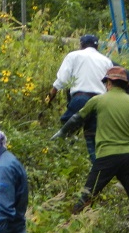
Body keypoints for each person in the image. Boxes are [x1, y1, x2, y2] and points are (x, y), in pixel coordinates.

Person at [56, 66, 129, 233]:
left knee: (86, 197)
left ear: (109, 83)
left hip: (105, 159)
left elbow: (77, 118)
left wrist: (61, 133)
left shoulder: (98, 100)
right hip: (128, 159)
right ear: (125, 85)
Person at [46, 34, 114, 164]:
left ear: (81, 45)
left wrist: (50, 97)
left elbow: (62, 80)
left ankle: (60, 161)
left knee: (66, 129)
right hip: (100, 102)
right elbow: (109, 85)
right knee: (92, 137)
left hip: (80, 99)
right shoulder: (106, 61)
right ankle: (98, 169)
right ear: (97, 46)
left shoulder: (73, 56)